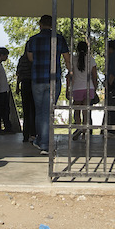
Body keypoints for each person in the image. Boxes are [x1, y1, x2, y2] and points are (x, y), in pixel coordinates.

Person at [26, 15, 71, 155]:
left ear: (40, 24)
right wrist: (70, 72)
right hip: (53, 79)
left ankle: (40, 140)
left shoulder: (32, 40)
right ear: (52, 24)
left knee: (40, 112)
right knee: (47, 111)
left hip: (37, 79)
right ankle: (45, 144)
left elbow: (30, 58)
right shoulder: (59, 39)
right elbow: (66, 58)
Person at [67, 41, 98, 140]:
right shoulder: (91, 60)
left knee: (77, 110)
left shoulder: (73, 59)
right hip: (89, 88)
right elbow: (94, 76)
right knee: (86, 111)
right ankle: (84, 131)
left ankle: (78, 127)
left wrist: (68, 89)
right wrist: (95, 88)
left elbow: (70, 75)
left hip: (77, 88)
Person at [16, 49, 36, 142]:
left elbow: (18, 74)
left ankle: (25, 135)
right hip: (33, 84)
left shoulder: (21, 59)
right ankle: (33, 133)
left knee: (26, 111)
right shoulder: (34, 58)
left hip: (24, 84)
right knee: (34, 110)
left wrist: (17, 86)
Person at [0, 47, 12, 134]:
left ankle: (7, 127)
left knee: (5, 110)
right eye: (6, 55)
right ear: (1, 55)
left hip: (3, 91)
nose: (7, 57)